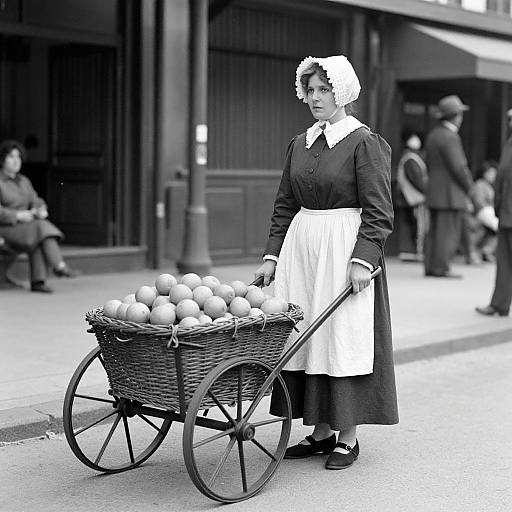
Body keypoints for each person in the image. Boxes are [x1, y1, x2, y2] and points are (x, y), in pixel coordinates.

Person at [254, 55, 398, 471]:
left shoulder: (364, 142)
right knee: (304, 336)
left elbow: (379, 211)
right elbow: (284, 204)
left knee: (340, 337)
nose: (315, 98)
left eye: (324, 91)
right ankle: (318, 432)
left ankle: (347, 437)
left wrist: (363, 260)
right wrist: (271, 256)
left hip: (343, 251)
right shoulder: (299, 143)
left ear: (343, 93)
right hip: (302, 250)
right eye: (311, 90)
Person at [0, 139, 78, 293]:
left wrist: (40, 208)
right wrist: (19, 215)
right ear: (2, 159)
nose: (16, 161)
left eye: (19, 157)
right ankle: (59, 266)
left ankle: (38, 281)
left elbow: (35, 199)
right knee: (40, 228)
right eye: (11, 157)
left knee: (38, 236)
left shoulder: (24, 181)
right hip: (5, 228)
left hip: (25, 229)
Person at [423, 95, 474, 278]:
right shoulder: (451, 137)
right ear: (456, 116)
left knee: (434, 232)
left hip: (435, 192)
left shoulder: (433, 135)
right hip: (450, 194)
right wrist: (470, 188)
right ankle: (441, 268)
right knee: (447, 234)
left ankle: (430, 266)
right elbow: (459, 167)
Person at [476, 109, 512, 317]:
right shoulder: (509, 144)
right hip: (507, 213)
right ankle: (500, 303)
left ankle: (500, 304)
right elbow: (501, 180)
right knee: (505, 262)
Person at [394, 131, 428, 262]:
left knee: (410, 224)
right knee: (415, 225)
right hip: (411, 199)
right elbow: (417, 180)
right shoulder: (411, 158)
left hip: (407, 199)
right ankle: (413, 251)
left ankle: (410, 251)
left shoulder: (408, 157)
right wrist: (427, 190)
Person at [470, 160, 499, 263]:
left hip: (488, 213)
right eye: (490, 173)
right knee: (498, 226)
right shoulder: (480, 185)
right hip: (480, 212)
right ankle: (483, 251)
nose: (493, 176)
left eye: (494, 174)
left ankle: (486, 250)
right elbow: (479, 202)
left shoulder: (490, 186)